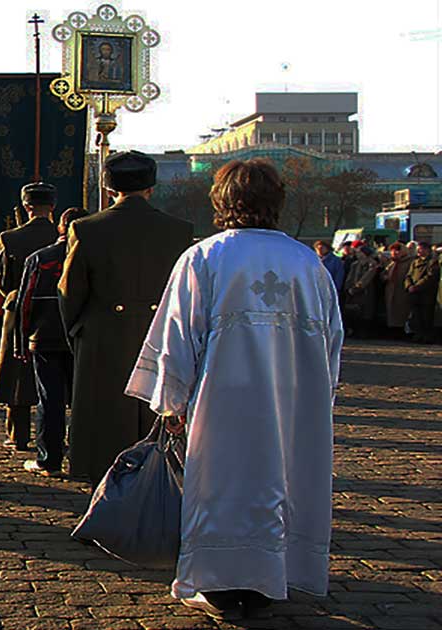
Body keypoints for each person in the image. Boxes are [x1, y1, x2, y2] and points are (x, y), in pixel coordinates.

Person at [125, 159, 342, 621]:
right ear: (277, 203)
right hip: (292, 404)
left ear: (221, 202)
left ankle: (221, 583)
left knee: (220, 488)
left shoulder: (205, 257)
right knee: (280, 484)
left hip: (221, 403)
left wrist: (171, 400)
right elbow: (331, 343)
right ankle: (269, 578)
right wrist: (321, 399)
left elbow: (178, 335)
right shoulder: (308, 263)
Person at [58, 150, 193, 481]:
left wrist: (78, 332)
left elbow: (70, 292)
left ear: (107, 187)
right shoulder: (179, 231)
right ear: (151, 186)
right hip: (162, 337)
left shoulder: (86, 229)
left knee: (104, 427)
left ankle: (103, 499)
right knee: (155, 426)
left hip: (102, 338)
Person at [14, 207, 87, 475]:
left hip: (45, 337)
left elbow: (25, 304)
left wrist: (21, 341)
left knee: (50, 400)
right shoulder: (94, 257)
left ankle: (49, 458)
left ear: (60, 227)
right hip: (82, 338)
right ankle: (84, 457)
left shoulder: (40, 258)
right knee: (83, 400)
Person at [0, 183, 60, 451]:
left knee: (18, 376)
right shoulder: (64, 235)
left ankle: (18, 434)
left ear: (26, 207)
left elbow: (1, 278)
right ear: (52, 207)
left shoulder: (10, 238)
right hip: (58, 311)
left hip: (20, 308)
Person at [405, 242, 439, 342]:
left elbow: (430, 277)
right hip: (414, 294)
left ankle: (427, 336)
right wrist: (409, 286)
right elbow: (408, 275)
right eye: (418, 249)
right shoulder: (415, 262)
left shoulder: (432, 262)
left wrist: (417, 286)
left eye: (421, 249)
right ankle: (418, 335)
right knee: (416, 316)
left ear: (427, 250)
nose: (419, 251)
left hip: (426, 294)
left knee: (426, 316)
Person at [343, 245, 380, 337]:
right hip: (353, 291)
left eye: (360, 252)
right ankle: (354, 330)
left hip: (366, 291)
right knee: (353, 311)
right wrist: (348, 288)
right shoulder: (355, 264)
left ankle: (363, 332)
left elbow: (367, 277)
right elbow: (350, 277)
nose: (358, 254)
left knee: (365, 312)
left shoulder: (372, 264)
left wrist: (357, 287)